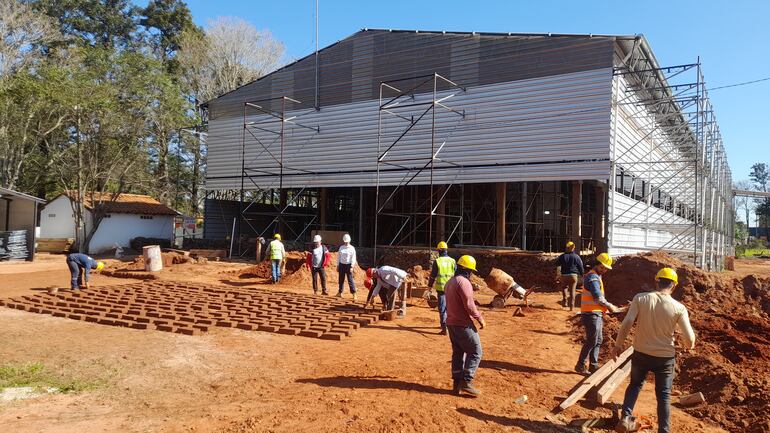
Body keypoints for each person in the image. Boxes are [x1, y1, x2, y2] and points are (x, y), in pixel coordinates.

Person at [612, 268, 696, 433]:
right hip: (664, 358)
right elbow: (690, 339)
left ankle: (625, 419)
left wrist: (618, 345)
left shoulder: (640, 298)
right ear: (675, 285)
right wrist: (689, 346)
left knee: (635, 385)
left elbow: (628, 322)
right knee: (664, 396)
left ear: (656, 281)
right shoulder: (679, 308)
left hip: (641, 353)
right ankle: (664, 430)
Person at [444, 255, 485, 397]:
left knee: (458, 353)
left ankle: (457, 384)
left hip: (451, 323)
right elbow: (469, 305)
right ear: (468, 270)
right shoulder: (464, 282)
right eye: (471, 271)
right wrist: (480, 318)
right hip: (462, 324)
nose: (472, 274)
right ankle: (466, 382)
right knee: (475, 351)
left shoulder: (450, 282)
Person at [575, 252, 621, 374]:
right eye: (602, 267)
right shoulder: (592, 278)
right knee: (592, 340)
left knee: (598, 340)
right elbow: (598, 298)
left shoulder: (596, 276)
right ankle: (580, 365)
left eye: (606, 268)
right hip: (591, 314)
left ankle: (593, 365)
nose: (604, 270)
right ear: (597, 264)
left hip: (596, 313)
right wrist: (610, 306)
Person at [427, 241, 456, 335]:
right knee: (450, 308)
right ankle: (450, 325)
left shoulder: (437, 261)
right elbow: (456, 275)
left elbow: (432, 276)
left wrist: (429, 286)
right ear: (446, 250)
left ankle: (444, 328)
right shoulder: (452, 261)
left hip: (441, 289)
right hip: (451, 288)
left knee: (442, 308)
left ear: (439, 251)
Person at [555, 241, 584, 310]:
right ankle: (571, 306)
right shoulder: (576, 257)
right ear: (573, 248)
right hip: (573, 276)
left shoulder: (562, 256)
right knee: (572, 290)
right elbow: (580, 266)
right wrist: (582, 274)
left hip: (564, 275)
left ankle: (565, 302)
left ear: (567, 248)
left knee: (564, 287)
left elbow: (556, 264)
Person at [336, 234, 357, 300]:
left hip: (348, 265)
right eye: (345, 241)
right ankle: (340, 292)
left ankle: (354, 293)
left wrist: (352, 266)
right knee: (341, 279)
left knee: (350, 280)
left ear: (349, 241)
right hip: (341, 265)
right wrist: (338, 265)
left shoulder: (352, 248)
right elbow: (339, 257)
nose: (346, 242)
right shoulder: (341, 247)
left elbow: (353, 258)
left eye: (347, 241)